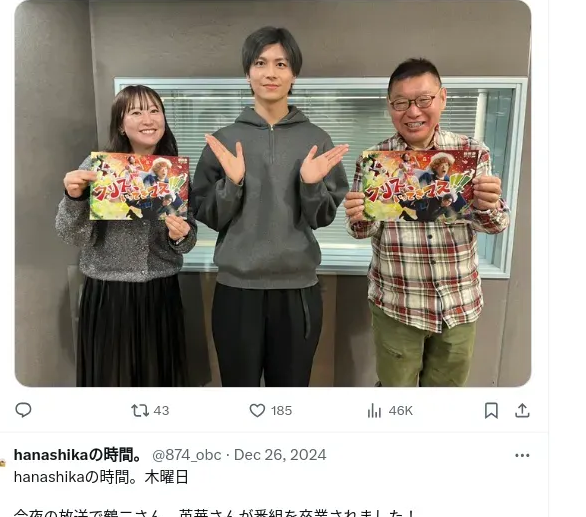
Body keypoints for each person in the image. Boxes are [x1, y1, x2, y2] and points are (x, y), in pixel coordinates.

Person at [192, 23, 348, 390]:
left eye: (281, 64)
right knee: (238, 389)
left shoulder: (316, 139)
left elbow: (322, 217)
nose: (270, 73)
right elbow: (208, 214)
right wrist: (232, 184)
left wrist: (310, 184)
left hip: (297, 290)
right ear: (248, 74)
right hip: (236, 290)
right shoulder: (225, 141)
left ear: (294, 74)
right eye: (260, 63)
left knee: (290, 392)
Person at [346, 55, 509, 392]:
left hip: (459, 303)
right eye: (401, 103)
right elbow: (364, 231)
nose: (413, 112)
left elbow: (496, 225)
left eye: (423, 99)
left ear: (442, 98)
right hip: (397, 304)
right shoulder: (376, 161)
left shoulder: (471, 153)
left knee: (446, 399)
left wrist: (488, 205)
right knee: (396, 396)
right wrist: (359, 217)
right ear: (390, 106)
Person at [57, 81, 197, 395]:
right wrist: (73, 198)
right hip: (108, 292)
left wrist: (181, 235)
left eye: (154, 110)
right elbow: (71, 234)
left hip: (160, 292)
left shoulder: (173, 173)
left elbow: (187, 241)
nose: (148, 119)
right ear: (121, 124)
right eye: (136, 112)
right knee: (111, 382)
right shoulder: (98, 169)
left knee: (159, 384)